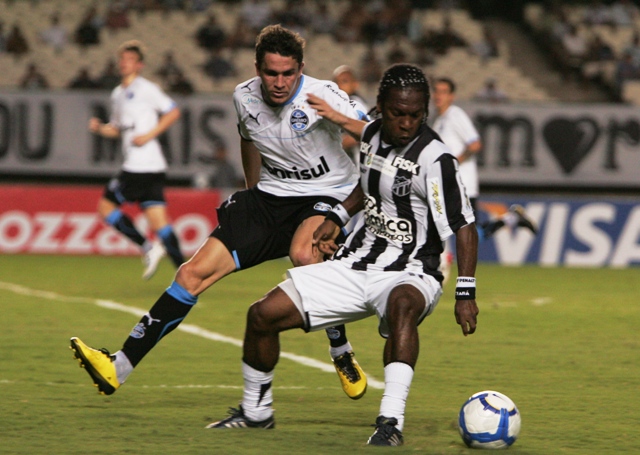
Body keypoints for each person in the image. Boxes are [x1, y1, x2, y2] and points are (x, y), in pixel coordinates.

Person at [70, 25, 367, 402]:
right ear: (257, 68)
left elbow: (373, 131)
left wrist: (343, 122)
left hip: (327, 192)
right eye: (271, 73)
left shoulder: (322, 94)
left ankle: (340, 351)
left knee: (305, 254)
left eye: (288, 73)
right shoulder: (243, 97)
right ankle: (119, 367)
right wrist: (251, 190)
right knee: (190, 273)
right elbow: (249, 138)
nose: (279, 82)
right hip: (270, 197)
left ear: (301, 68)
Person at [205, 64, 479, 446]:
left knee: (402, 306)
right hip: (357, 262)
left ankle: (390, 422)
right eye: (398, 114)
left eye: (415, 115)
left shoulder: (436, 160)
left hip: (412, 269)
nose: (406, 123)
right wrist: (337, 216)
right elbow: (365, 187)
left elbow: (464, 225)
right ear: (380, 108)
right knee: (261, 316)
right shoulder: (371, 137)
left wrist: (465, 292)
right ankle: (256, 412)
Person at [86, 40, 184, 280]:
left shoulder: (146, 88)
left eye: (129, 59)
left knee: (105, 208)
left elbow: (173, 111)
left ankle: (148, 247)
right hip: (151, 166)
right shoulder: (117, 94)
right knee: (161, 224)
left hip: (140, 166)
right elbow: (118, 129)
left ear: (139, 65)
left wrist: (149, 135)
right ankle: (187, 274)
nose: (124, 63)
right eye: (122, 59)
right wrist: (100, 128)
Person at [432, 77, 536, 279]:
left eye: (443, 91)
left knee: (468, 235)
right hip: (448, 184)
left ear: (451, 96)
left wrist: (452, 163)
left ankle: (441, 265)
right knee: (456, 229)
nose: (438, 95)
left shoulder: (455, 115)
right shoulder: (439, 120)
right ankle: (511, 218)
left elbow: (475, 144)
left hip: (463, 184)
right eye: (436, 90)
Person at [332, 65, 369, 162]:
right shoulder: (335, 104)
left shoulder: (356, 104)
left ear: (355, 84)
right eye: (336, 82)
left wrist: (332, 145)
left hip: (356, 162)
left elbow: (366, 131)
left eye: (344, 81)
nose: (339, 86)